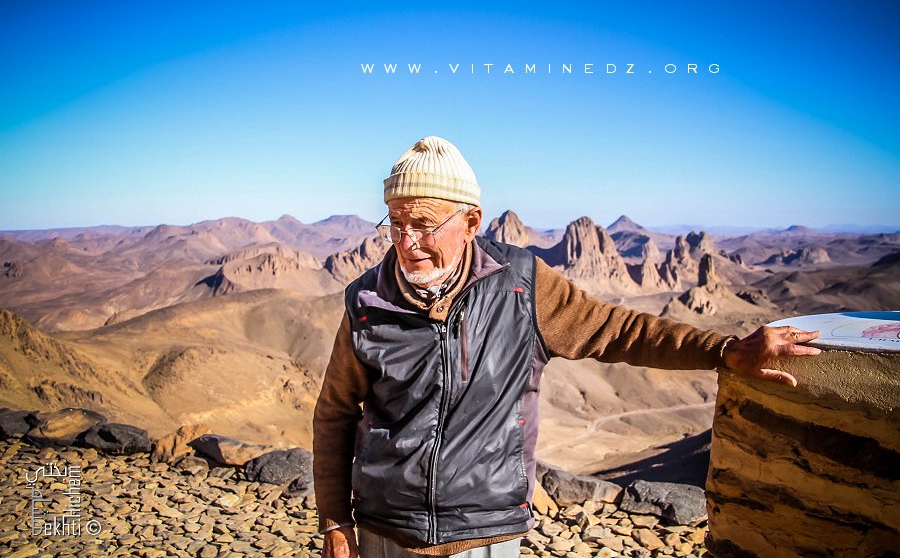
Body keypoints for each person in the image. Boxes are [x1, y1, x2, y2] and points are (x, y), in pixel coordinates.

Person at [313, 136, 821, 558]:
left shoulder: (523, 287)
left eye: (424, 224)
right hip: (384, 531)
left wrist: (724, 350)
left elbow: (621, 330)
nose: (406, 242)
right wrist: (336, 521)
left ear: (471, 223)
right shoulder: (366, 300)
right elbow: (335, 412)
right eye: (395, 223)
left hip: (483, 536)